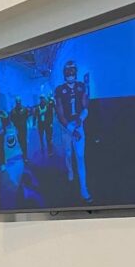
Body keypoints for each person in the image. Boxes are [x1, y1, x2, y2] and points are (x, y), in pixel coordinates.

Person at [55, 59, 92, 202]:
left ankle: (84, 188)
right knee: (68, 153)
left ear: (75, 72)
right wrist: (71, 129)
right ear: (65, 73)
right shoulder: (59, 90)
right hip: (66, 127)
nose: (70, 74)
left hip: (78, 125)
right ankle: (70, 170)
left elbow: (85, 107)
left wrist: (81, 119)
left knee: (81, 157)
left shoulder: (81, 86)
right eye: (68, 71)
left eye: (72, 71)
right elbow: (60, 115)